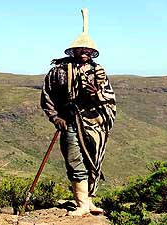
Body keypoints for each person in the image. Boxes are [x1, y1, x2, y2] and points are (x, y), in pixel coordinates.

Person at [40, 8, 116, 216]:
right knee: (74, 159)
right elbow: (47, 95)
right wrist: (55, 117)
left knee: (93, 159)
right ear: (73, 51)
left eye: (88, 50)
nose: (85, 52)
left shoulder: (99, 71)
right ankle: (81, 204)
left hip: (95, 123)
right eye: (81, 49)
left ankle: (88, 201)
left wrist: (97, 95)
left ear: (92, 53)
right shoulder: (58, 71)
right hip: (70, 121)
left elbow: (109, 98)